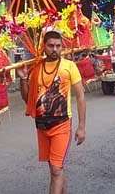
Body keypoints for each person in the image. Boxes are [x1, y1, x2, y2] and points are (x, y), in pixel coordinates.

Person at [17, 31, 86, 194]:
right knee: (56, 168)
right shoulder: (36, 67)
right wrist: (23, 79)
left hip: (61, 124)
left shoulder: (69, 66)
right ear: (44, 46)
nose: (54, 49)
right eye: (50, 46)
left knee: (56, 169)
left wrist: (81, 126)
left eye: (58, 46)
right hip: (41, 126)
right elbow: (28, 100)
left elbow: (81, 97)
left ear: (62, 47)